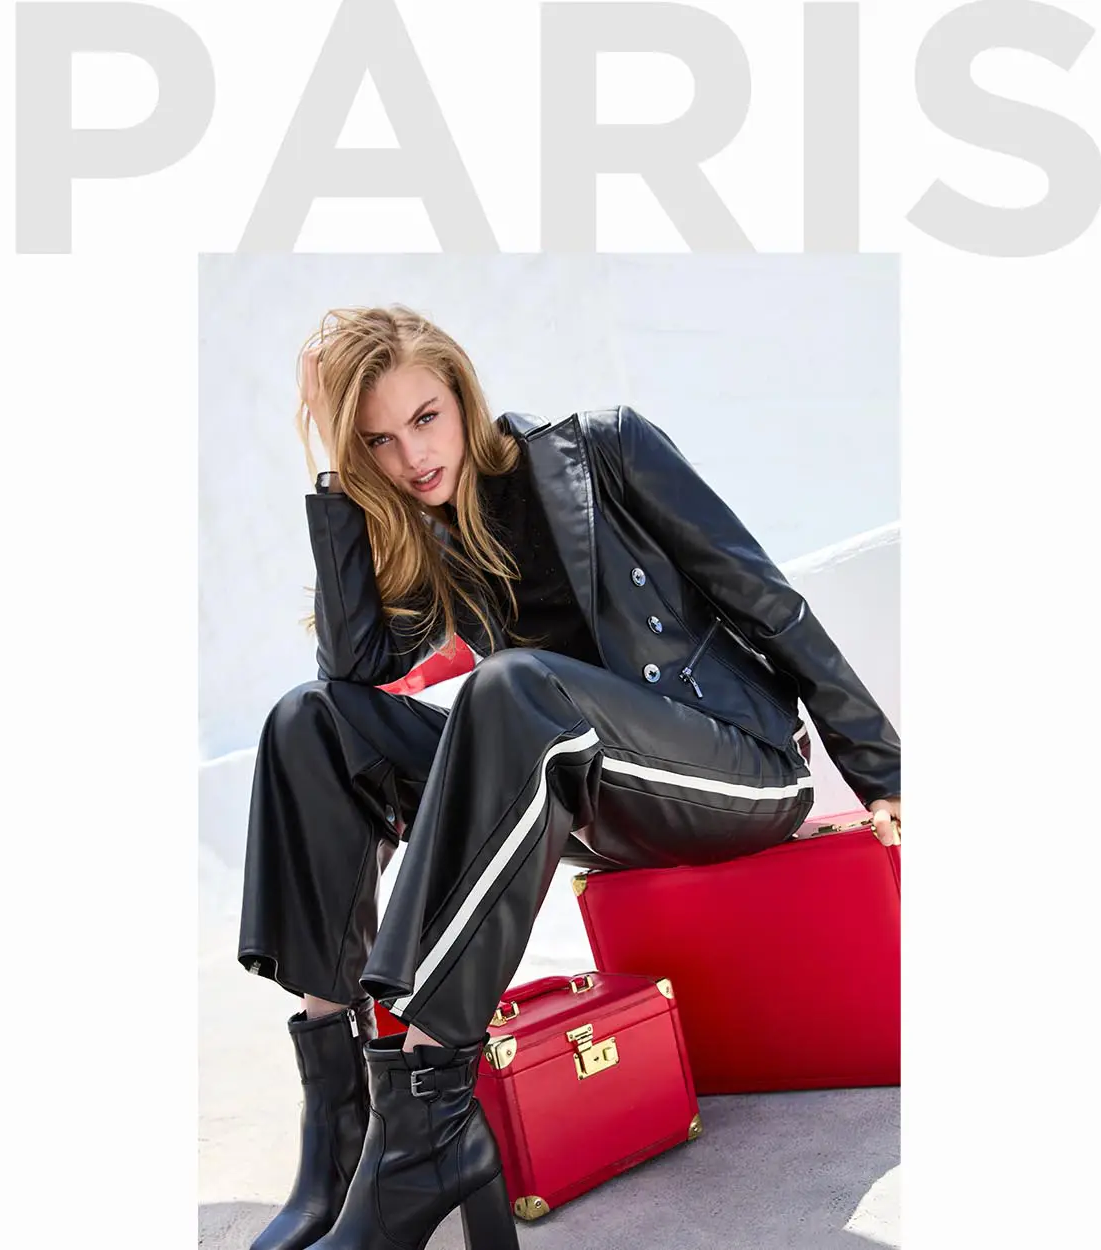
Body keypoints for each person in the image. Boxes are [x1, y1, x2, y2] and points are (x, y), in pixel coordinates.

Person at [237, 305, 904, 1250]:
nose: (412, 458)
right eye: (379, 442)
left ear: (461, 393)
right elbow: (351, 676)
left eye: (426, 418)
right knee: (309, 721)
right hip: (585, 788)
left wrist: (882, 769)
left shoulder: (606, 450)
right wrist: (338, 483)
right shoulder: (429, 528)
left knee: (511, 687)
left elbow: (764, 596)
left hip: (733, 768)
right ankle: (341, 1122)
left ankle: (426, 1113)